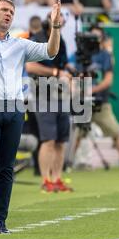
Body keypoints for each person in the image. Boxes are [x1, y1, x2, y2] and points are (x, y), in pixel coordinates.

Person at [0, 0, 61, 234]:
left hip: (15, 108)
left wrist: (56, 28)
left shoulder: (20, 44)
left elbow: (50, 52)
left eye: (11, 11)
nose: (8, 14)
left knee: (7, 167)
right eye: (4, 10)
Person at [25, 12, 73, 193]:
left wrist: (71, 71)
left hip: (61, 94)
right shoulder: (37, 39)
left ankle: (57, 178)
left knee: (61, 140)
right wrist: (56, 73)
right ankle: (46, 179)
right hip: (42, 93)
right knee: (48, 140)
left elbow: (63, 65)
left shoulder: (63, 41)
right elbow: (30, 66)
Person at [74, 25, 119, 171]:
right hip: (83, 102)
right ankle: (66, 164)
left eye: (97, 36)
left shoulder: (105, 55)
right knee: (77, 134)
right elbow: (75, 76)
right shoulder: (81, 55)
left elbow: (108, 80)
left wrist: (92, 90)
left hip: (101, 102)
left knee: (115, 131)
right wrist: (82, 90)